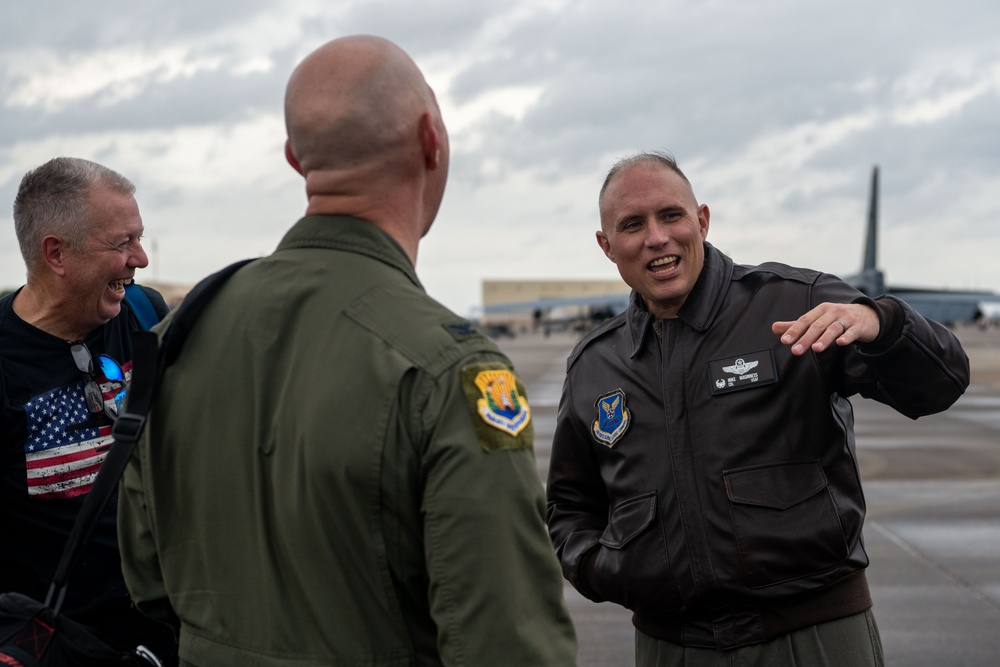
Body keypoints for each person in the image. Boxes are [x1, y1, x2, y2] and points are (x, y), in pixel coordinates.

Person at [117, 35, 578, 666]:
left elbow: (147, 575)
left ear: (294, 158)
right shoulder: (450, 369)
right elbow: (506, 640)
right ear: (431, 140)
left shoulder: (183, 333)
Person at [546, 151, 970, 666]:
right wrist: (603, 567)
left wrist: (885, 324)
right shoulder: (596, 365)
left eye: (671, 215)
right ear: (607, 246)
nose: (656, 237)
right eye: (633, 225)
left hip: (811, 638)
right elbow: (570, 505)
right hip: (670, 647)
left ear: (701, 220)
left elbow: (940, 385)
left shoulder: (798, 304)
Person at [0, 157, 176, 662]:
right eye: (122, 243)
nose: (140, 258)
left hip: (163, 635)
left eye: (140, 238)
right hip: (58, 645)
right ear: (56, 253)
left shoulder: (146, 316)